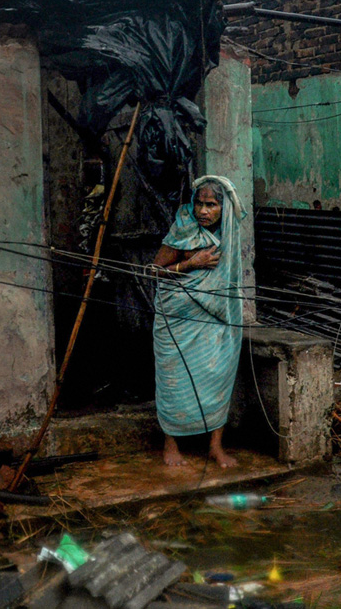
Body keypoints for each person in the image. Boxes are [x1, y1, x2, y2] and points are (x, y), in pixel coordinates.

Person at [150, 175, 245, 467]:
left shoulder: (229, 233)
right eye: (200, 204)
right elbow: (152, 270)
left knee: (218, 376)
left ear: (223, 208)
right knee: (174, 381)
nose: (204, 211)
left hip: (215, 319)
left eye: (212, 205)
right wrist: (191, 264)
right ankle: (171, 444)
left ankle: (215, 447)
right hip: (177, 320)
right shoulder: (183, 229)